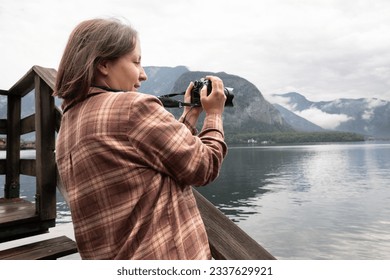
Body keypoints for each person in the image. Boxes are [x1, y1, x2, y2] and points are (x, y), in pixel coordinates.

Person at [54, 18, 227, 260]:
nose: (143, 75)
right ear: (104, 65)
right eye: (136, 62)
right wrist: (215, 115)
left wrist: (189, 115)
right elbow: (204, 167)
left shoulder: (67, 126)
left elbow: (142, 154)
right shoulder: (132, 107)